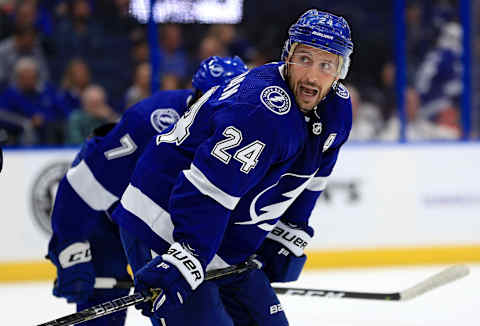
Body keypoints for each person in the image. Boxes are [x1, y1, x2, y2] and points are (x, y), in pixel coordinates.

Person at [112, 9, 353, 326]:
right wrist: (188, 253)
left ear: (340, 70)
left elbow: (315, 172)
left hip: (218, 236)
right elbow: (207, 188)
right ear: (288, 56)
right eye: (305, 59)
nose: (312, 76)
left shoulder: (337, 108)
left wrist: (291, 229)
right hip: (164, 224)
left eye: (326, 65)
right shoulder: (261, 109)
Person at [46, 55, 249, 326]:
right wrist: (70, 246)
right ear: (199, 95)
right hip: (109, 220)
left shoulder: (250, 133)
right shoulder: (150, 122)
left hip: (166, 228)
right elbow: (83, 187)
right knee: (101, 311)